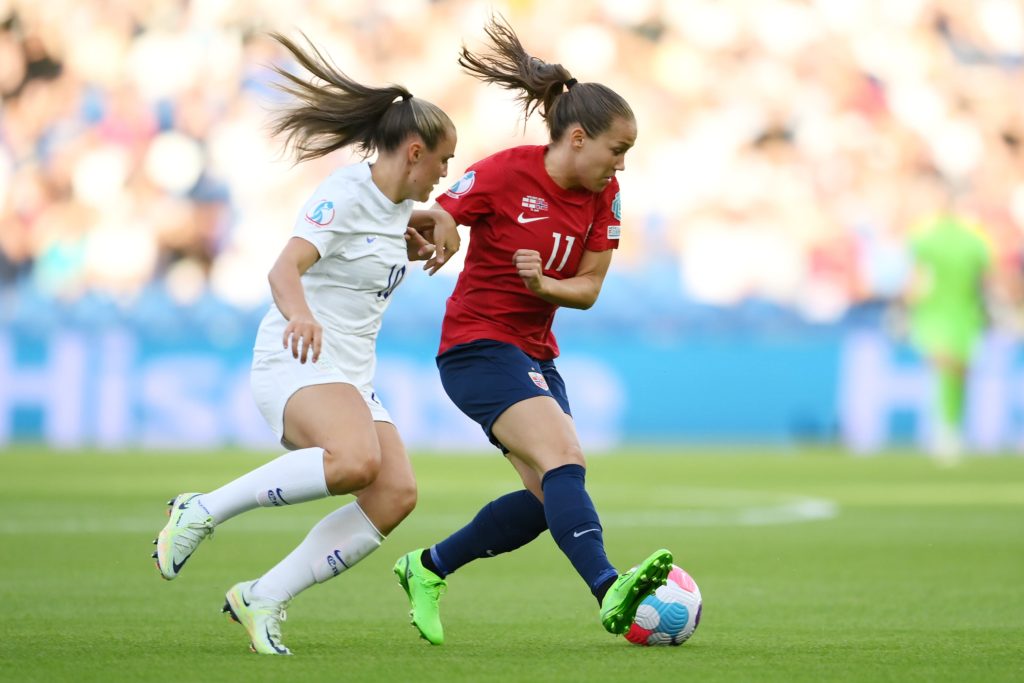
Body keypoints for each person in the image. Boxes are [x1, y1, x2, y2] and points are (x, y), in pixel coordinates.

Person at [152, 32, 457, 655]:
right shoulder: (343, 194)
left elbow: (384, 233)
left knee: (394, 494)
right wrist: (300, 316)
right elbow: (284, 268)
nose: (445, 174)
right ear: (415, 152)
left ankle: (263, 595)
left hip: (348, 374)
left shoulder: (395, 207)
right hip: (297, 359)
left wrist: (437, 218)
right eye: (443, 162)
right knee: (354, 462)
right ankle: (201, 509)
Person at [393, 15, 672, 646]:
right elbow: (432, 215)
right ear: (577, 137)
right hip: (476, 346)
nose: (621, 165)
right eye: (616, 150)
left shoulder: (606, 195)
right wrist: (439, 227)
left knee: (552, 496)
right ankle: (608, 587)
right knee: (565, 461)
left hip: (536, 353)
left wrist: (545, 286)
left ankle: (428, 567)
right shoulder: (503, 173)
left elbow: (590, 288)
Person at [905, 183, 993, 463]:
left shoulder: (925, 237)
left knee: (947, 370)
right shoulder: (975, 239)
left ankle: (948, 430)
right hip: (965, 316)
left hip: (934, 314)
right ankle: (949, 429)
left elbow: (916, 278)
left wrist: (906, 306)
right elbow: (985, 279)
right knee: (954, 373)